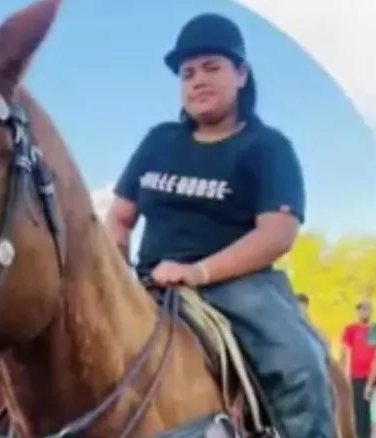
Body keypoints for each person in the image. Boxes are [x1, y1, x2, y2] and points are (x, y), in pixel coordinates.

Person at [105, 12, 334, 438]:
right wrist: (118, 274)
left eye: (212, 67)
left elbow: (277, 232)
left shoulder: (267, 148)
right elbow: (120, 218)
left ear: (241, 74)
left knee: (301, 365)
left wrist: (198, 272)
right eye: (187, 73)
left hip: (239, 285)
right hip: (150, 279)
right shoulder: (158, 141)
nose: (197, 80)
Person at [341, 298, 375, 438]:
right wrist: (343, 376)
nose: (362, 312)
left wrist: (370, 382)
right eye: (360, 309)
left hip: (371, 377)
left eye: (366, 309)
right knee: (358, 411)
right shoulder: (351, 329)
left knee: (370, 413)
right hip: (356, 377)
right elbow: (344, 352)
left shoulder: (374, 329)